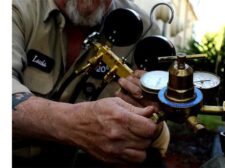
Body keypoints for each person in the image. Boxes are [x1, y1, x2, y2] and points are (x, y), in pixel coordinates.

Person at [12, 0, 170, 167]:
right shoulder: (17, 7)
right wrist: (75, 124)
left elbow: (157, 134)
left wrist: (148, 116)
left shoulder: (145, 31)